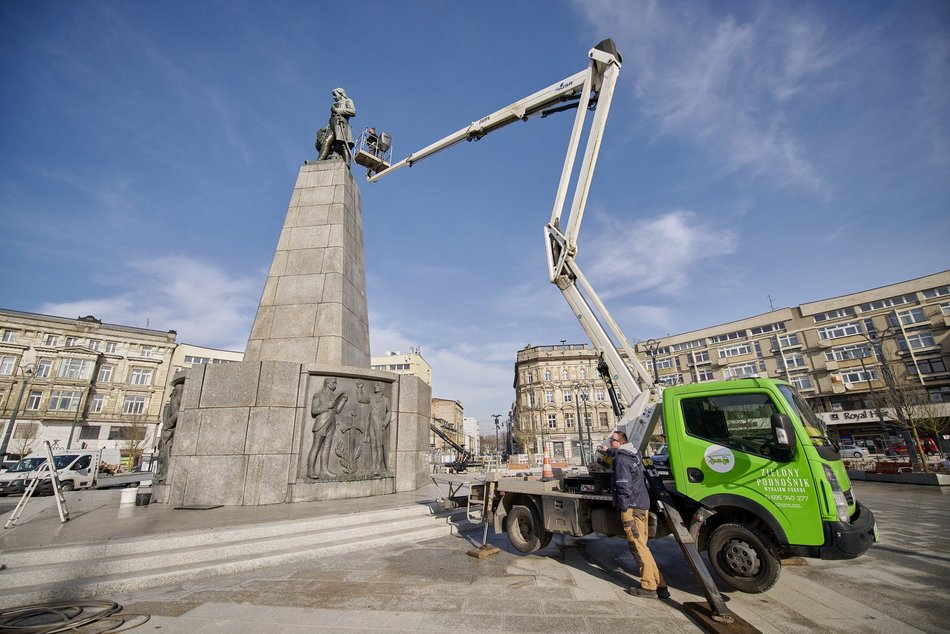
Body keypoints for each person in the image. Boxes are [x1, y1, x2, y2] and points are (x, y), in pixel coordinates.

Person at [606, 430, 669, 599]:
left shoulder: (621, 459)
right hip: (642, 504)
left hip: (632, 508)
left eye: (612, 440)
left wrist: (623, 507)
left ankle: (648, 586)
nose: (610, 442)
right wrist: (608, 451)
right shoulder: (634, 454)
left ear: (620, 442)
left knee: (638, 547)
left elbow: (623, 485)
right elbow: (620, 456)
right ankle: (660, 584)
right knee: (643, 546)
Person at [307, 377, 348, 479]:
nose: (335, 385)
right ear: (328, 383)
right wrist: (327, 406)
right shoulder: (318, 394)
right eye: (333, 383)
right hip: (321, 423)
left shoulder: (334, 396)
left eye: (336, 383)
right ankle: (310, 471)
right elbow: (314, 410)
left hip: (331, 424)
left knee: (327, 447)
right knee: (316, 447)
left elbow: (337, 411)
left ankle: (324, 470)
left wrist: (343, 401)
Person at [317, 87, 356, 163]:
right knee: (326, 142)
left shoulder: (348, 101)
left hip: (341, 125)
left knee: (343, 144)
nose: (334, 97)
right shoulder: (334, 104)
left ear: (341, 94)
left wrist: (337, 110)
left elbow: (353, 111)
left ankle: (347, 164)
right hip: (332, 126)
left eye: (335, 95)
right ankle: (318, 161)